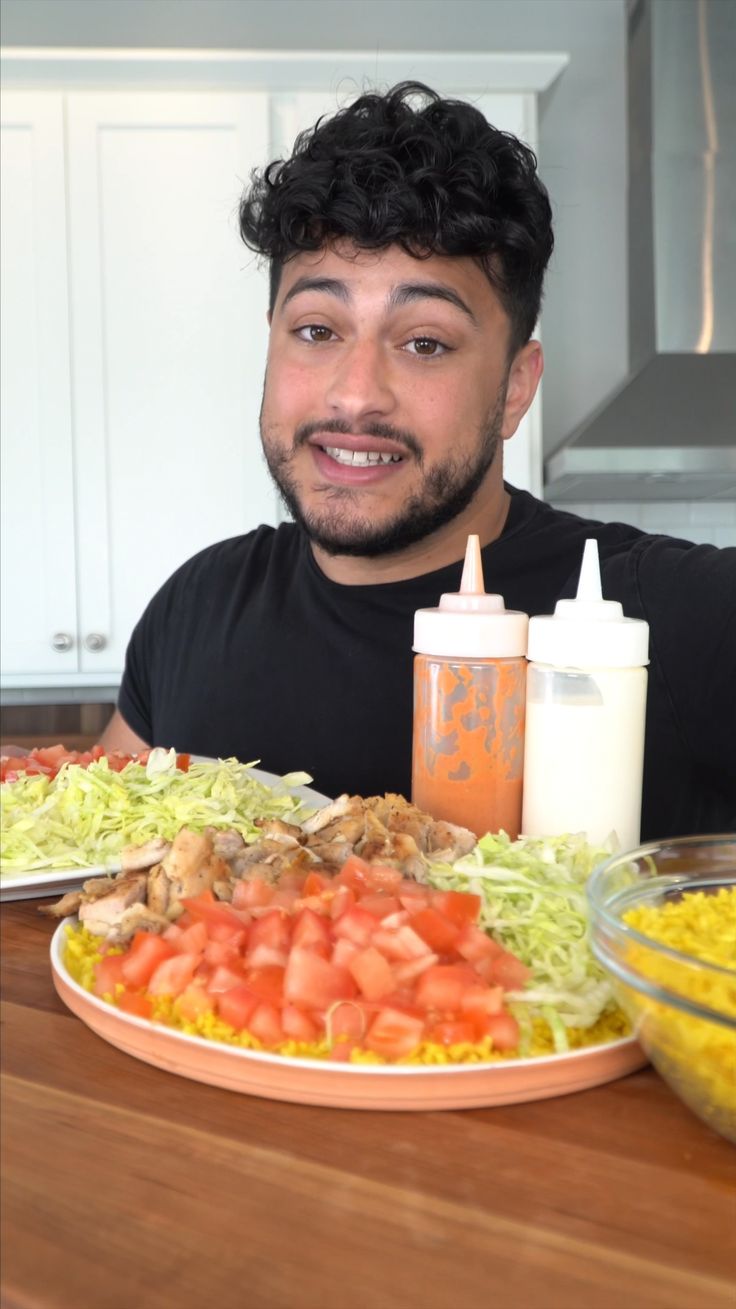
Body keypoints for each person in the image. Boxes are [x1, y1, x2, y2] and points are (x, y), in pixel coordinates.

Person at [100, 82, 736, 841]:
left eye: (424, 342)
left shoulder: (668, 612)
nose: (356, 394)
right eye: (316, 329)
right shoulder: (195, 606)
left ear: (514, 387)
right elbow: (83, 869)